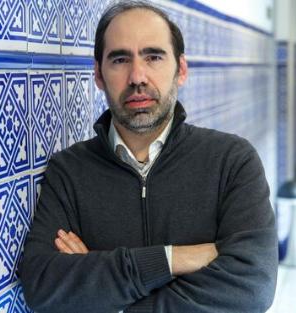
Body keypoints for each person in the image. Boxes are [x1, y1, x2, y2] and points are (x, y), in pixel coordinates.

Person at [19, 1, 278, 312]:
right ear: (99, 75)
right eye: (119, 59)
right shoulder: (69, 172)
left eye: (153, 56)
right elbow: (42, 285)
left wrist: (106, 293)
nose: (137, 76)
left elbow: (252, 288)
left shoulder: (232, 162)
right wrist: (174, 259)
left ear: (180, 70)